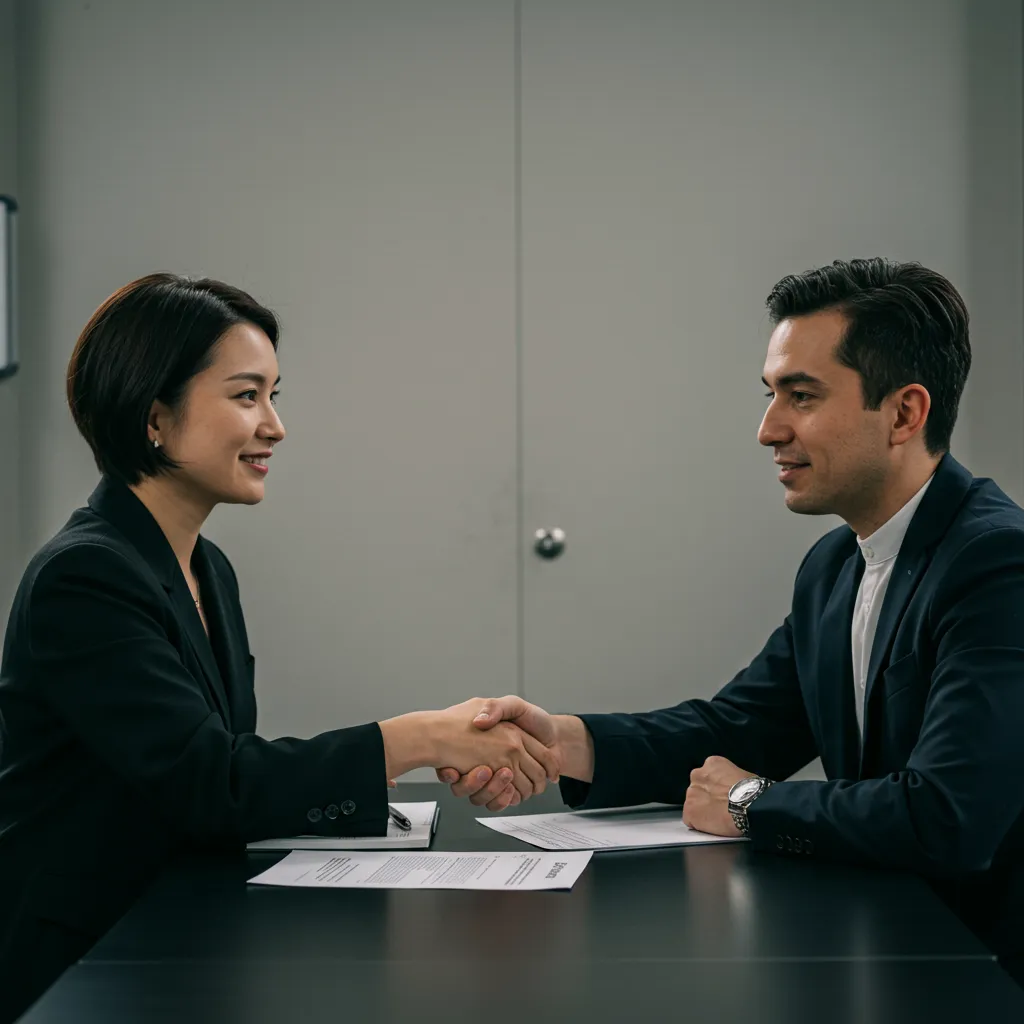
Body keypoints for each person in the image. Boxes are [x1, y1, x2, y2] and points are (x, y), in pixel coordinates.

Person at [441, 258, 1024, 983]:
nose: (767, 429)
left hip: (983, 973)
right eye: (772, 394)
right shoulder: (833, 566)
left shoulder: (999, 562)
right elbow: (736, 730)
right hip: (887, 955)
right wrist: (564, 742)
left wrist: (753, 802)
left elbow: (949, 817)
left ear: (905, 413)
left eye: (801, 396)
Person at [0, 273, 557, 1022]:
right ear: (156, 417)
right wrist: (419, 737)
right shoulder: (85, 576)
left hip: (173, 930)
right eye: (245, 396)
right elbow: (211, 781)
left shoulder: (205, 566)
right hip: (81, 965)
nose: (275, 426)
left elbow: (219, 782)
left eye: (274, 394)